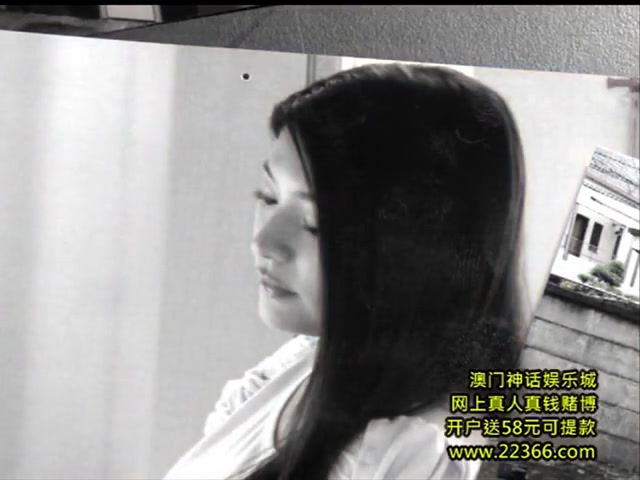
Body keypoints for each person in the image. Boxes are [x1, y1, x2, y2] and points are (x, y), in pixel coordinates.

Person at [163, 63, 529, 480]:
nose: (264, 241)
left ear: (418, 249)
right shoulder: (306, 364)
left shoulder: (405, 452)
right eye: (268, 197)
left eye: (315, 222)